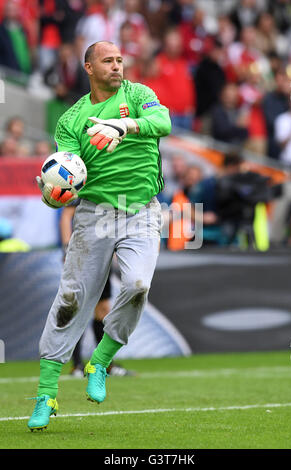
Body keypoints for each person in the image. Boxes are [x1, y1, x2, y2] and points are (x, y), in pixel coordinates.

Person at [27, 40, 171, 431]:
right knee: (72, 300)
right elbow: (66, 172)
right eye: (107, 60)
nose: (117, 66)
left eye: (120, 59)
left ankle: (101, 360)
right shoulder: (70, 120)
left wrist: (123, 125)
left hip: (141, 210)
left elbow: (164, 123)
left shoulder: (139, 94)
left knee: (138, 285)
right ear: (88, 67)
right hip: (95, 215)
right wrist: (55, 195)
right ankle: (45, 395)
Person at [59, 202, 135, 377]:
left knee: (102, 309)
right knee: (79, 309)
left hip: (102, 255)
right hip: (83, 254)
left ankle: (105, 363)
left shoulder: (109, 186)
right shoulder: (83, 183)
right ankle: (77, 365)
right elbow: (66, 215)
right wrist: (67, 248)